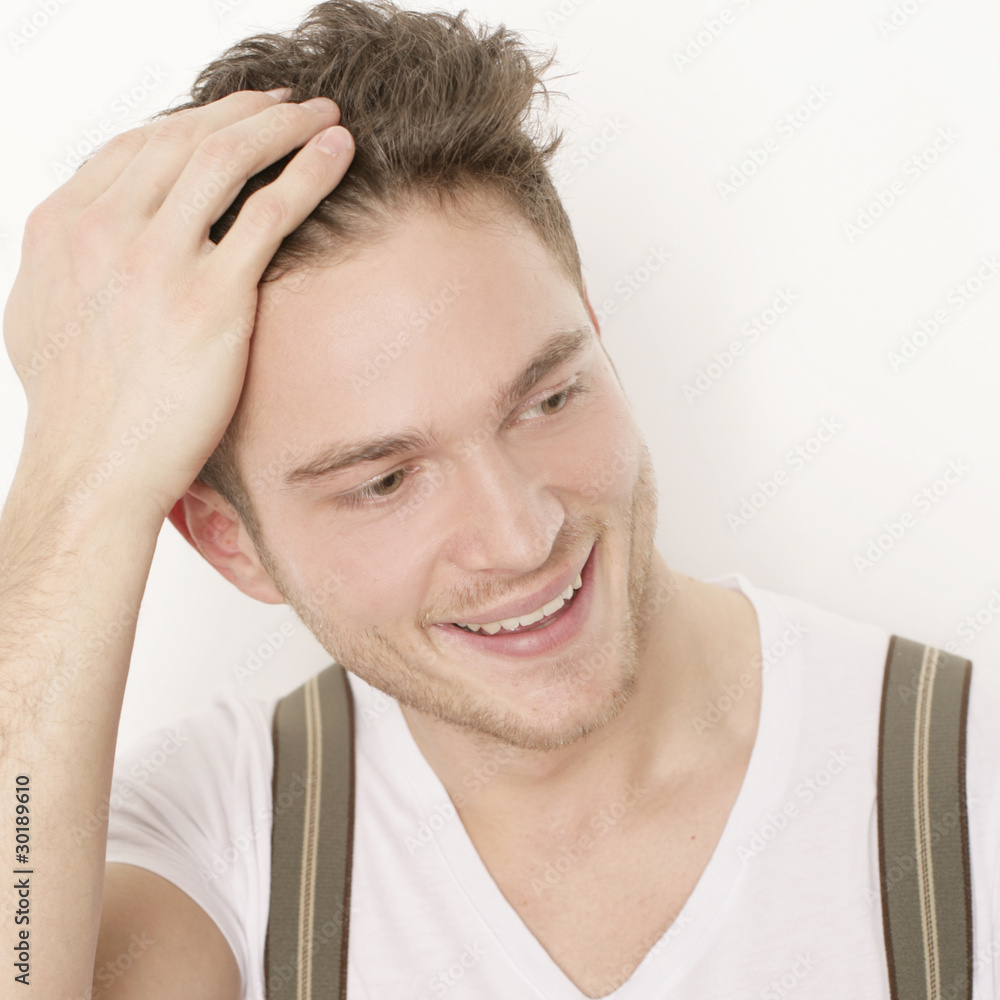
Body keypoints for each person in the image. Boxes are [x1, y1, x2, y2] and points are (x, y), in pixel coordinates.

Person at [0, 1, 996, 998]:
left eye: (548, 399)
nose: (521, 536)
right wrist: (77, 477)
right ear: (231, 543)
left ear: (596, 334)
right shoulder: (224, 841)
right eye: (385, 480)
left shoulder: (967, 780)